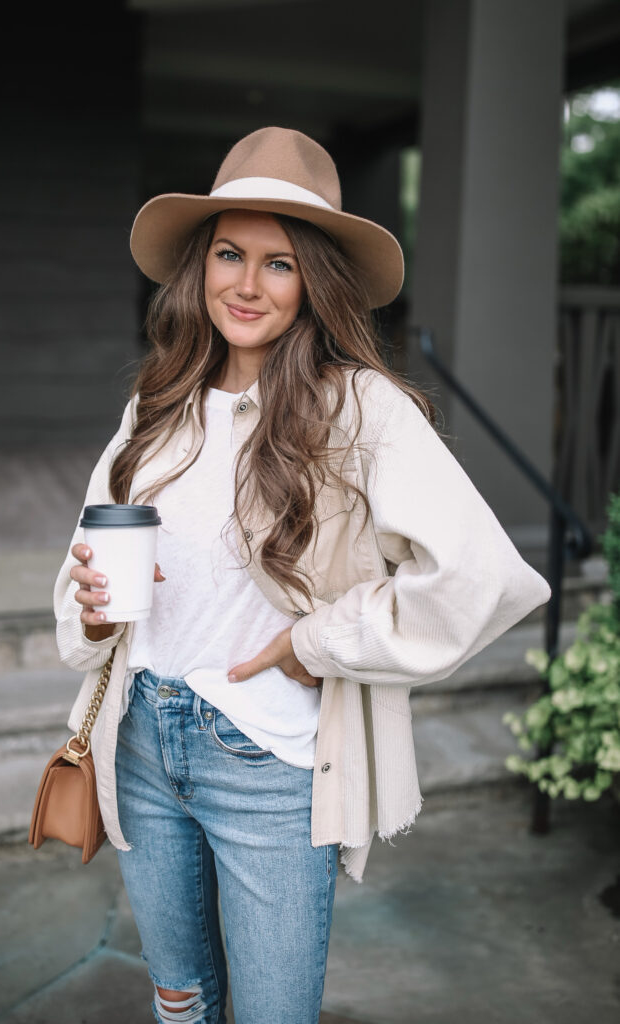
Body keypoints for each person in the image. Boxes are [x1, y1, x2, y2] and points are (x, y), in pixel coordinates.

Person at [53, 126, 551, 1024]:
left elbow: (484, 578)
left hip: (268, 762)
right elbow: (82, 566)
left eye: (279, 264)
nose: (246, 284)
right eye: (230, 254)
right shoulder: (155, 407)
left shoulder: (360, 408)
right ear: (198, 267)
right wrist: (91, 614)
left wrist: (320, 640)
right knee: (178, 999)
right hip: (142, 741)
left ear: (314, 282)